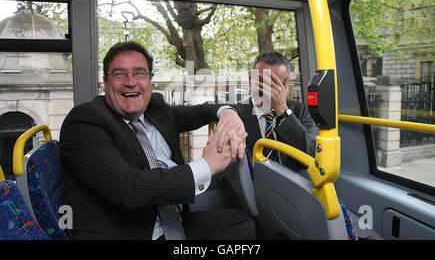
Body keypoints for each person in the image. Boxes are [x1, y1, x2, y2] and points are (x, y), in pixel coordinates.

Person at [59, 41, 255, 240]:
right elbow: (129, 189)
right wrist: (207, 165)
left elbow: (201, 111)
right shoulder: (85, 121)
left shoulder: (155, 108)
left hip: (174, 219)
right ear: (105, 82)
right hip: (131, 231)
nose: (130, 81)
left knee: (239, 223)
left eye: (139, 73)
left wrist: (228, 113)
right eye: (119, 74)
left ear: (150, 80)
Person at [217, 51, 317, 211]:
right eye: (262, 82)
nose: (267, 90)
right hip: (252, 198)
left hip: (293, 195)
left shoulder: (299, 112)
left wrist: (283, 112)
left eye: (274, 84)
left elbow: (311, 155)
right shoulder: (235, 115)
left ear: (285, 84)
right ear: (251, 79)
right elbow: (226, 173)